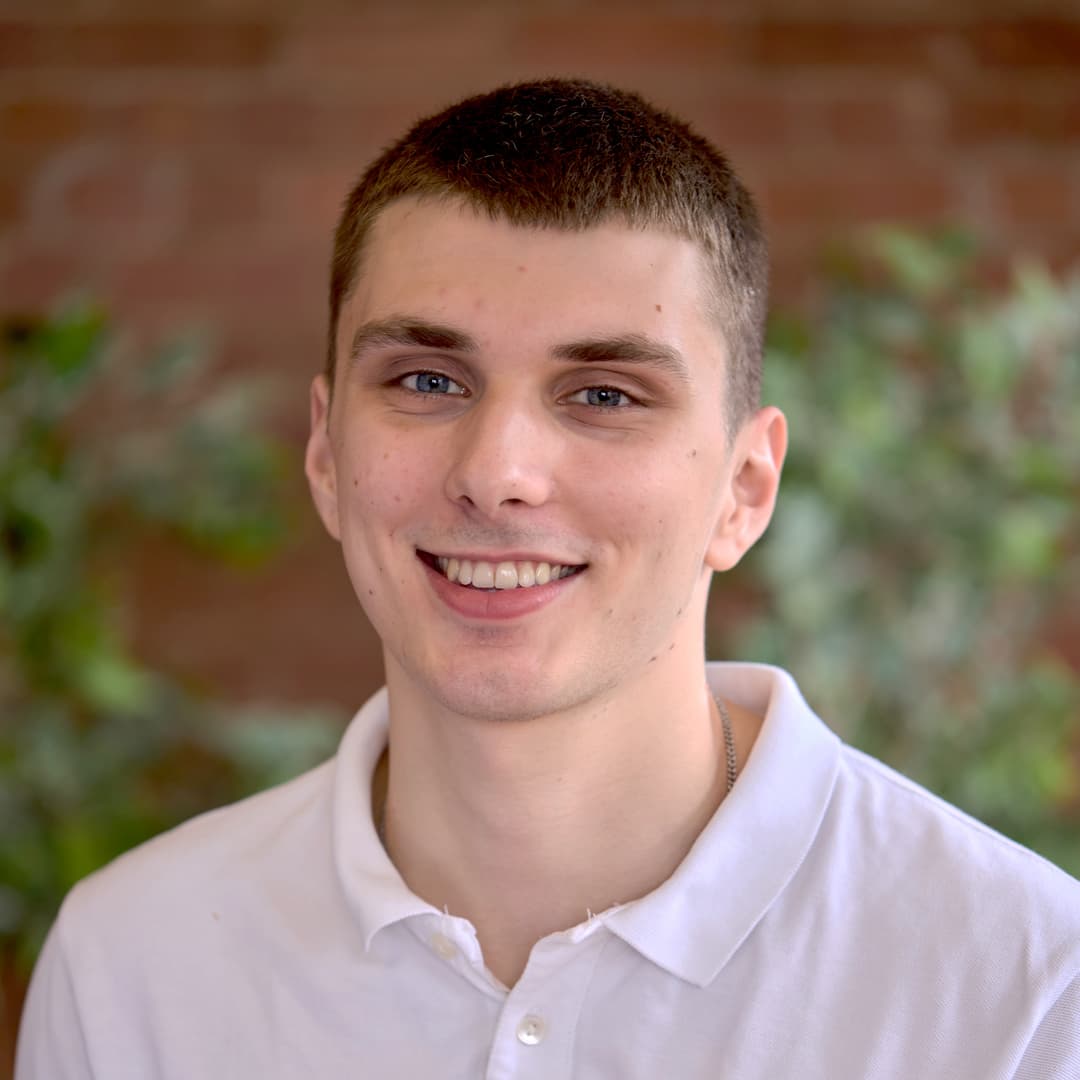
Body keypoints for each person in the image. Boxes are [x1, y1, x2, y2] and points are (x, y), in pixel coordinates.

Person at [16, 78, 1080, 1079]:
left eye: (605, 395)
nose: (496, 474)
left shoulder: (1023, 989)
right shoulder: (132, 968)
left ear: (745, 490)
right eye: (428, 381)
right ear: (327, 455)